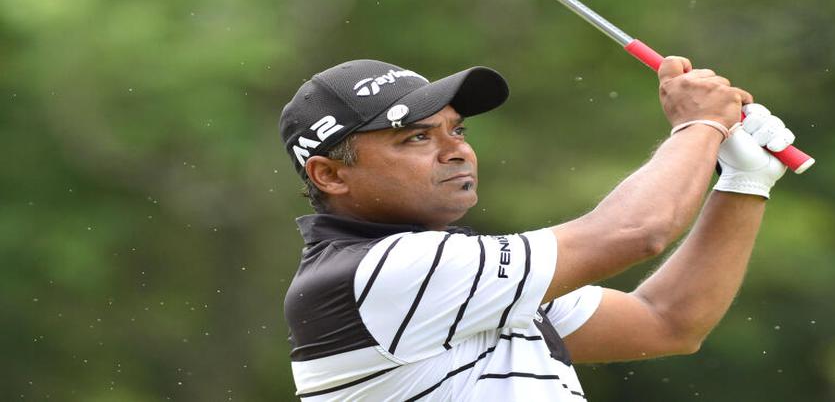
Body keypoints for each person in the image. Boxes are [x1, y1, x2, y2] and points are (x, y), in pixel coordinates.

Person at [279, 57, 796, 400]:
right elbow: (637, 231)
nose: (456, 149)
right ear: (329, 174)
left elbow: (667, 322)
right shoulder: (385, 272)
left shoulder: (462, 277)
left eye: (456, 130)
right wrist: (699, 125)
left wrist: (744, 184)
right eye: (416, 138)